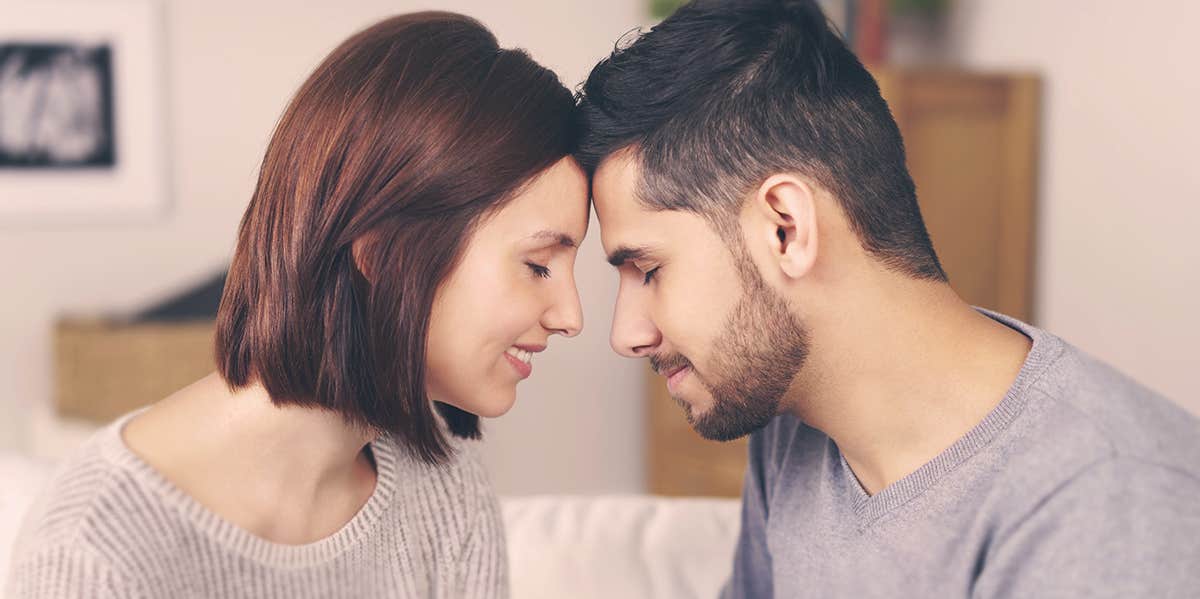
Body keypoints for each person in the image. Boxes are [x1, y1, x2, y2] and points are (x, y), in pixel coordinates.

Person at [575, 0, 1200, 596]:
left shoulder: (1110, 499)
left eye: (648, 270)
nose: (626, 333)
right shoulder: (789, 426)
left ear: (785, 228)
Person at [8, 11, 587, 598]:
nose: (572, 316)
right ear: (384, 249)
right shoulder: (92, 552)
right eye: (538, 265)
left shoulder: (445, 486)